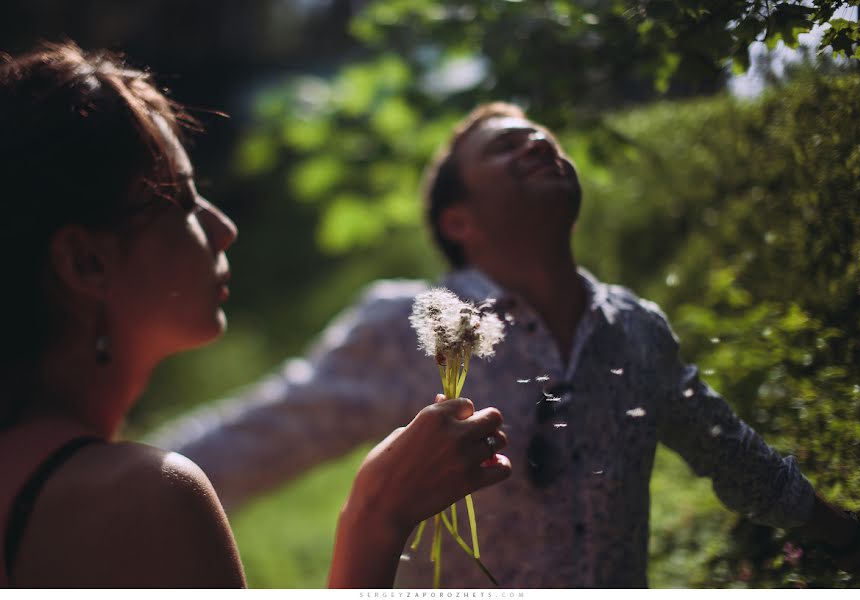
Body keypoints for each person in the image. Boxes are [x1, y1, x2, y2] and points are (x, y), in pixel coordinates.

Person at [152, 101, 860, 588]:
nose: (537, 139)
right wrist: (102, 487)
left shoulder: (637, 329)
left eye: (544, 138)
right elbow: (261, 434)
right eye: (506, 146)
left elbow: (733, 456)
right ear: (459, 220)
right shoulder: (415, 322)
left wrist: (845, 535)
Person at [0, 42, 511, 589]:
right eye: (182, 201)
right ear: (87, 262)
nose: (224, 228)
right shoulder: (144, 499)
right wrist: (377, 516)